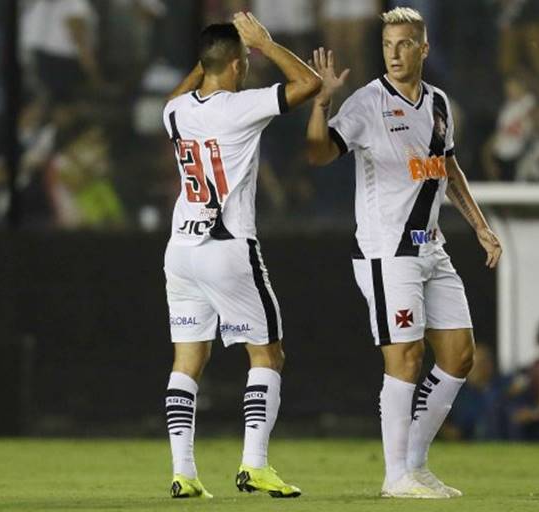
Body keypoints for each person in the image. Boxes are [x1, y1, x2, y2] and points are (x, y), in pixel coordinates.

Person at [305, 7, 502, 499]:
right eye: (388, 44)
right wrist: (321, 104)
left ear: (423, 48)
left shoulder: (438, 103)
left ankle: (414, 465)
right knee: (407, 357)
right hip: (386, 250)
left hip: (429, 246)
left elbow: (448, 169)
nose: (394, 53)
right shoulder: (368, 103)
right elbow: (319, 153)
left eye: (404, 44)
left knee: (459, 357)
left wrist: (480, 227)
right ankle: (396, 475)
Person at [161, 13, 320, 499]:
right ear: (235, 65)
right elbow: (308, 84)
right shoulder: (241, 107)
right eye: (244, 61)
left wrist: (209, 59)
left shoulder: (177, 112)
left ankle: (183, 474)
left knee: (187, 360)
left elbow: (174, 98)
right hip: (227, 248)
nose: (248, 66)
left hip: (181, 250)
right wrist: (265, 43)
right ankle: (254, 464)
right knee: (267, 353)